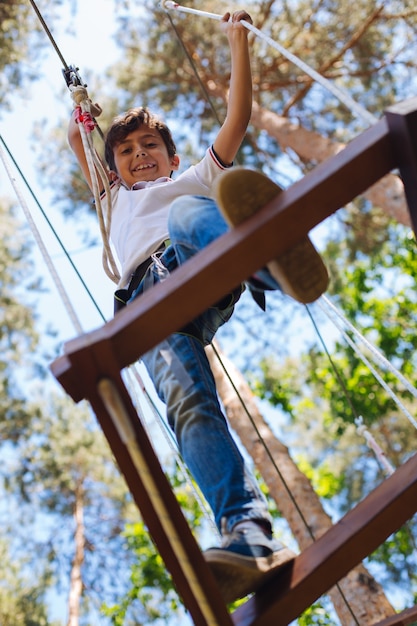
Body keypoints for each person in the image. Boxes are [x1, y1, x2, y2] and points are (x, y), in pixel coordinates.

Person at [68, 9, 313, 604]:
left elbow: (238, 117)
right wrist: (78, 103)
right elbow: (80, 140)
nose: (139, 156)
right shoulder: (111, 200)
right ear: (115, 169)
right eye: (125, 152)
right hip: (143, 301)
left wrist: (236, 43)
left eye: (150, 146)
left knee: (188, 213)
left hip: (194, 259)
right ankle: (248, 534)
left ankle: (268, 261)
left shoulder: (193, 178)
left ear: (172, 158)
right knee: (185, 400)